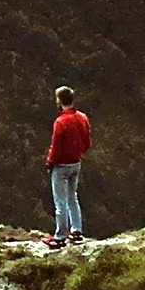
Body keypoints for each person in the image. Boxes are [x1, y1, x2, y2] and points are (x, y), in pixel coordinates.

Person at [43, 85, 91, 247]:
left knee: (60, 202)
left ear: (59, 101)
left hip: (61, 166)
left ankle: (60, 236)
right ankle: (76, 230)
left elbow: (55, 148)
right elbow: (87, 142)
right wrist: (78, 154)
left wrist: (49, 162)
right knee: (73, 197)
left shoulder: (60, 122)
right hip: (76, 163)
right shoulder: (83, 118)